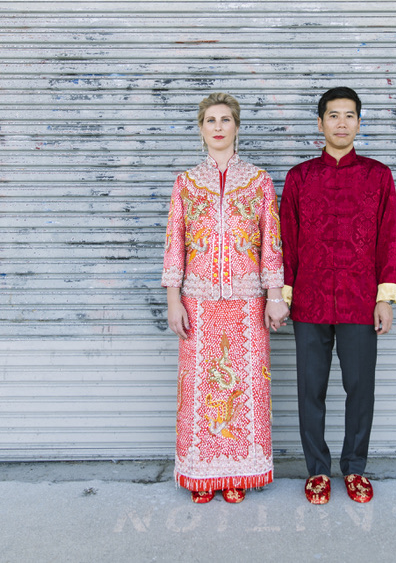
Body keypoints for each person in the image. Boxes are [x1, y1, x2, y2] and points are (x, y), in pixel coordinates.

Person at [162, 92, 290, 504]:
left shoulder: (259, 181)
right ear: (201, 130)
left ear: (236, 127)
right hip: (198, 302)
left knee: (244, 388)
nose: (218, 126)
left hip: (246, 303)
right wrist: (173, 300)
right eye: (210, 120)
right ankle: (202, 475)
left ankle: (238, 474)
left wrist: (274, 297)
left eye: (225, 119)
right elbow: (174, 245)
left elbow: (272, 243)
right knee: (199, 389)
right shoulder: (185, 183)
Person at [280, 86, 396, 505]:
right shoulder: (300, 178)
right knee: (310, 389)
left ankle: (354, 468)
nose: (342, 123)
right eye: (333, 115)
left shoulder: (377, 176)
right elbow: (287, 244)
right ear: (320, 123)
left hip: (359, 299)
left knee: (359, 388)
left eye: (350, 115)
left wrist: (385, 297)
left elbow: (388, 240)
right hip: (310, 301)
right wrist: (283, 296)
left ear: (359, 124)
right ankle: (317, 470)